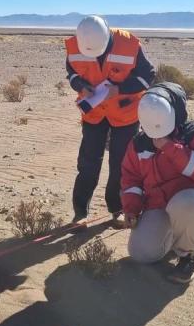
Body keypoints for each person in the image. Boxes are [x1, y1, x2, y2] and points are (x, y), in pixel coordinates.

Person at [121, 82, 194, 284]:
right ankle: (177, 238)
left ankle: (189, 256)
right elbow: (130, 178)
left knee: (184, 204)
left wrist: (171, 148)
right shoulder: (139, 144)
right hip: (158, 205)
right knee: (141, 253)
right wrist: (131, 209)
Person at [65, 15, 156, 228]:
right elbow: (71, 73)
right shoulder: (76, 44)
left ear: (108, 37)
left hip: (124, 114)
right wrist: (80, 85)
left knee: (121, 164)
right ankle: (80, 214)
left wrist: (120, 89)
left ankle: (118, 209)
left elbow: (147, 76)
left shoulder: (130, 44)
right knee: (88, 163)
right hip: (94, 112)